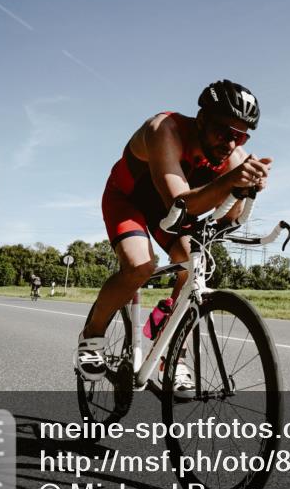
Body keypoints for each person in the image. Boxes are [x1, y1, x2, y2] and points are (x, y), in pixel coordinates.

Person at [76, 80, 271, 388]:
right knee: (141, 266)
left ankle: (172, 350)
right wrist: (230, 181)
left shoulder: (234, 156)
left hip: (169, 211)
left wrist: (245, 191)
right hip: (129, 200)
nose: (231, 143)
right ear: (202, 119)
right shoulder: (164, 130)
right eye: (223, 131)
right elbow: (180, 202)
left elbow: (228, 217)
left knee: (194, 263)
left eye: (241, 135)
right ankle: (92, 335)